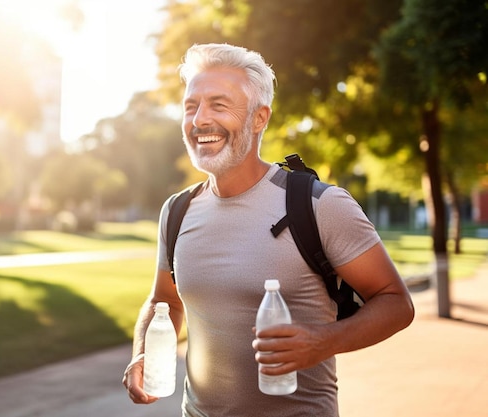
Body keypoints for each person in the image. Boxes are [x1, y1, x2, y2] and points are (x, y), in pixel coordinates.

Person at [122, 43, 415, 417]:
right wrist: (143, 352)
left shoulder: (319, 205)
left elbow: (396, 303)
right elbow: (164, 301)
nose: (199, 120)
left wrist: (323, 342)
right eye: (191, 106)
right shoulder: (177, 211)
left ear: (259, 118)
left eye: (218, 104)